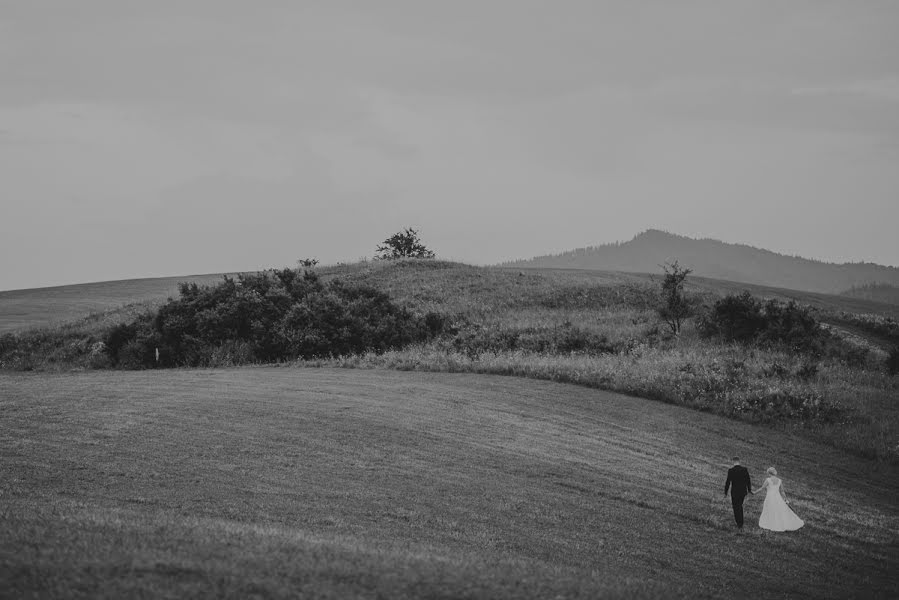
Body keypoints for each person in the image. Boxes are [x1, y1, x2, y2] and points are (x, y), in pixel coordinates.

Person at [753, 467, 804, 531]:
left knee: (769, 509)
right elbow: (782, 491)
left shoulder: (768, 480)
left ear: (769, 473)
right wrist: (785, 499)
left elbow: (762, 488)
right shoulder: (779, 480)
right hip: (777, 497)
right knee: (779, 510)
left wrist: (754, 492)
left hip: (770, 497)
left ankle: (771, 523)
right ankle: (781, 523)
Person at [724, 457, 753, 532]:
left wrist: (725, 492)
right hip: (743, 491)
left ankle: (739, 523)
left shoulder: (731, 470)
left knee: (735, 507)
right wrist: (749, 490)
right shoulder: (744, 469)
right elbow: (748, 480)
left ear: (733, 461)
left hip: (734, 492)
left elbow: (728, 482)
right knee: (740, 505)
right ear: (739, 461)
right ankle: (741, 522)